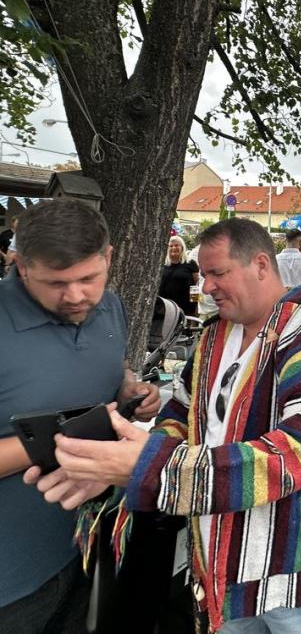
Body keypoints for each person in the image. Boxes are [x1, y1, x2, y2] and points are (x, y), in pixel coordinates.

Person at [29, 217, 301, 633]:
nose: (207, 286)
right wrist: (124, 465)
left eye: (218, 273)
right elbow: (181, 413)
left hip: (296, 574)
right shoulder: (215, 334)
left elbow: (297, 455)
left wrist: (151, 467)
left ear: (260, 264)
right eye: (204, 274)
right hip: (224, 570)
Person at [0, 199, 160, 633]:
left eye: (88, 278)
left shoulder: (109, 306)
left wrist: (128, 388)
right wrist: (66, 438)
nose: (75, 296)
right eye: (56, 283)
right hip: (10, 582)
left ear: (108, 257)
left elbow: (109, 367)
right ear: (21, 265)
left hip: (81, 547)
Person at [159, 235, 200, 316]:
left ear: (182, 247)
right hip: (163, 307)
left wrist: (195, 307)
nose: (174, 248)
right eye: (171, 246)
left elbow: (195, 287)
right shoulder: (162, 263)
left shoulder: (190, 263)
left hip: (184, 308)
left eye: (177, 245)